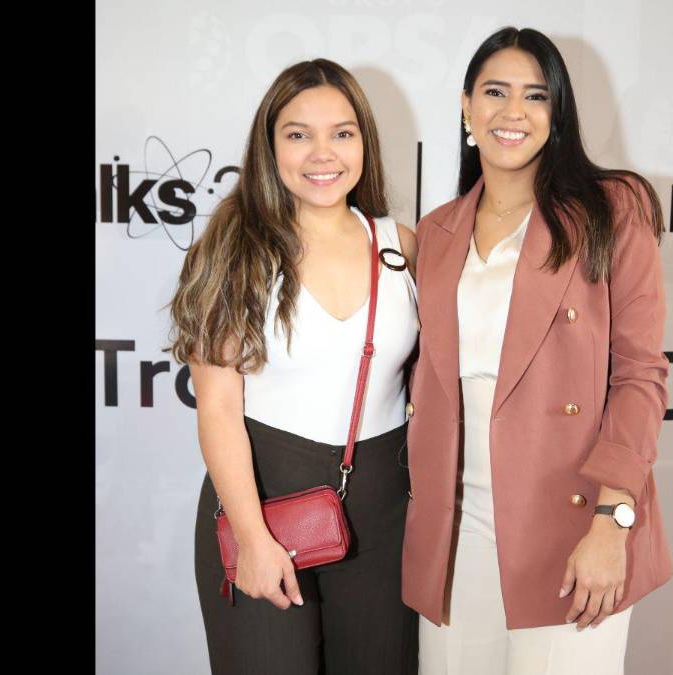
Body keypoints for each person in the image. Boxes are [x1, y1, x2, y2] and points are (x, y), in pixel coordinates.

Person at [402, 27, 673, 675]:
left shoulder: (612, 209)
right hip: (455, 534)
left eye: (535, 95)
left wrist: (611, 521)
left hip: (571, 527)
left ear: (557, 114)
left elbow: (639, 374)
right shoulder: (437, 233)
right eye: (495, 92)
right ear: (466, 107)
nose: (513, 112)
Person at [164, 58, 419, 674]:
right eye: (298, 134)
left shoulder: (401, 245)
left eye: (342, 133)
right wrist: (252, 539)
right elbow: (217, 410)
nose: (321, 154)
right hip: (263, 509)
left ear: (364, 142)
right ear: (269, 146)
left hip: (385, 521)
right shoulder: (233, 250)